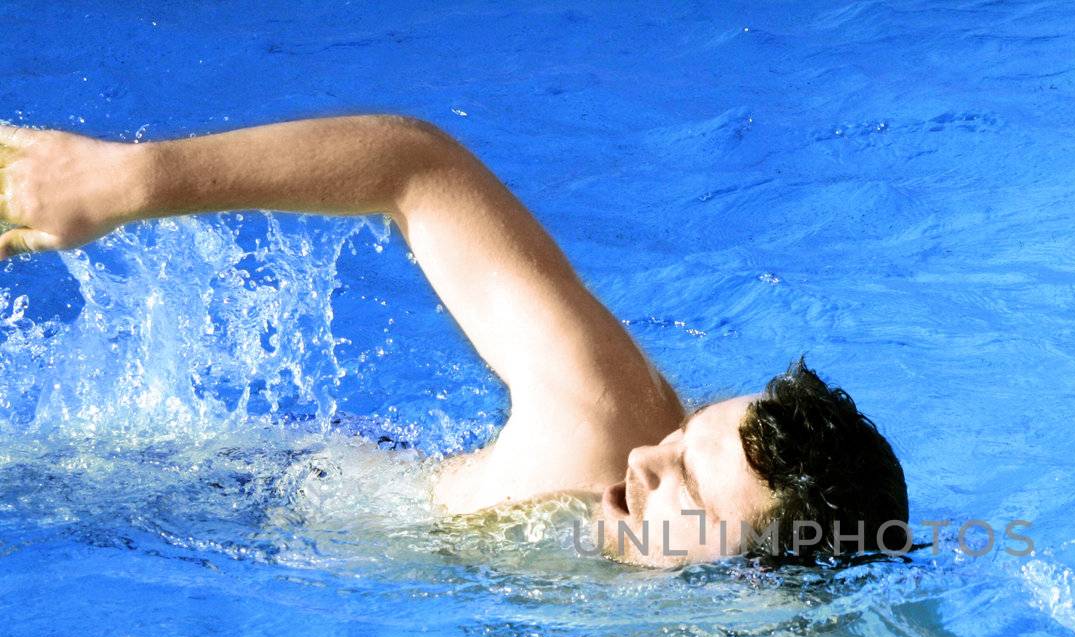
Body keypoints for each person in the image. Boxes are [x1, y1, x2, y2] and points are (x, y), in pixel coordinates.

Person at [0, 115, 909, 567]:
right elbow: (415, 168)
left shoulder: (776, 620)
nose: (642, 463)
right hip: (224, 496)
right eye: (683, 440)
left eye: (686, 487)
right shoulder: (599, 427)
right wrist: (132, 177)